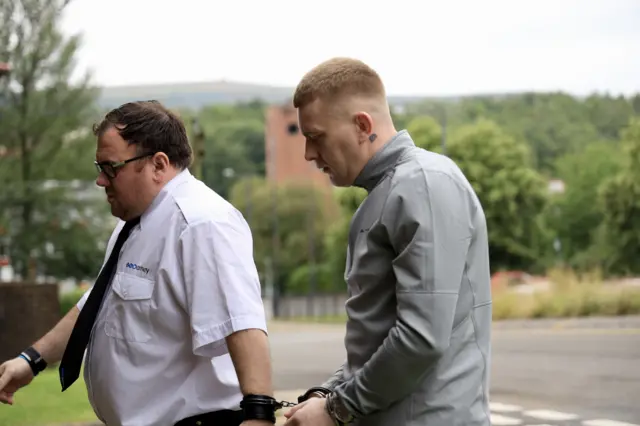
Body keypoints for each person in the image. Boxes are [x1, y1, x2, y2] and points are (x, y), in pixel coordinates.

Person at [0, 100, 279, 426]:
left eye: (110, 167)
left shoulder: (201, 224)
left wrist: (259, 415)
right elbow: (97, 306)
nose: (101, 181)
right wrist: (31, 360)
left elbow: (241, 324)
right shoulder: (134, 222)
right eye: (99, 167)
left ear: (159, 165)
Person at [283, 58, 492, 426]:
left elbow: (420, 338)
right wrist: (326, 393)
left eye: (316, 137)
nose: (309, 154)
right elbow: (378, 338)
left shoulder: (422, 184)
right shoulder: (385, 194)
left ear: (363, 125)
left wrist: (337, 409)